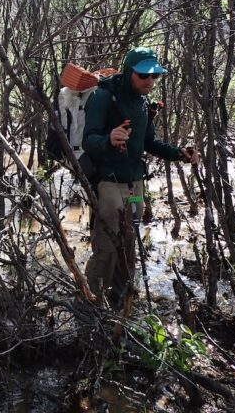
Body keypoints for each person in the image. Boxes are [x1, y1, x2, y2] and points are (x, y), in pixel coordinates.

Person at [82, 47, 199, 308]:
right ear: (129, 72)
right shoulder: (104, 97)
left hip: (135, 185)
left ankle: (122, 304)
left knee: (128, 244)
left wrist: (178, 154)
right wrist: (108, 139)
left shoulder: (143, 104)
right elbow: (88, 140)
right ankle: (90, 307)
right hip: (108, 184)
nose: (150, 81)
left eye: (155, 76)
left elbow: (149, 142)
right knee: (106, 249)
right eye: (143, 75)